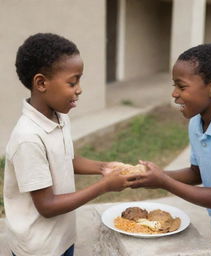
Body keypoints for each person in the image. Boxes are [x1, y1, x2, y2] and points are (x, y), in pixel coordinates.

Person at [3, 33, 137, 256]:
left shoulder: (59, 117)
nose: (79, 89)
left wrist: (103, 167)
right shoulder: (28, 138)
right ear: (41, 83)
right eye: (72, 82)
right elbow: (47, 206)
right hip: (39, 248)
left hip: (62, 238)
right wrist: (104, 186)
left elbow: (65, 159)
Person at [132, 44, 211, 255]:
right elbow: (196, 173)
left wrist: (165, 182)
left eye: (182, 86)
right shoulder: (197, 122)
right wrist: (155, 176)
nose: (174, 94)